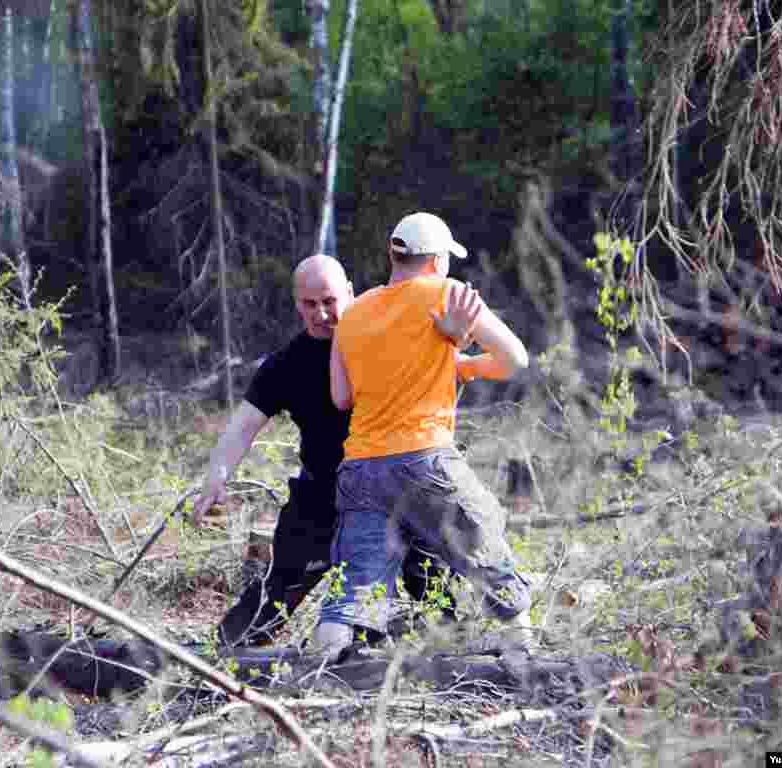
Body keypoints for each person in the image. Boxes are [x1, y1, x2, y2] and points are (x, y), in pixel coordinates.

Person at [191, 253, 450, 648]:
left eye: (329, 301)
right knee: (270, 598)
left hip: (394, 488)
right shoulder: (285, 365)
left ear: (350, 293)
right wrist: (217, 475)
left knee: (438, 597)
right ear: (297, 304)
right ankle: (218, 664)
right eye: (310, 304)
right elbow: (243, 426)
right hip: (321, 496)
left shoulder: (386, 340)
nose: (322, 313)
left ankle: (446, 662)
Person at [313, 212, 535, 658]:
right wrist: (463, 360)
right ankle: (521, 642)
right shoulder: (445, 294)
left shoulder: (353, 312)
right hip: (423, 455)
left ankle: (328, 655)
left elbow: (341, 396)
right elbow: (515, 358)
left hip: (360, 468)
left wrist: (435, 359)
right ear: (436, 260)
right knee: (480, 534)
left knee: (357, 576)